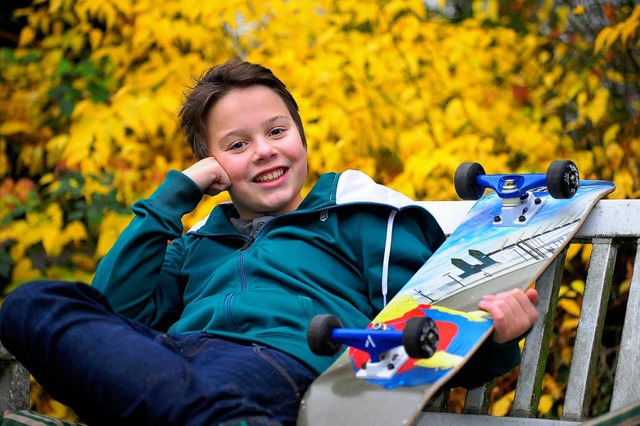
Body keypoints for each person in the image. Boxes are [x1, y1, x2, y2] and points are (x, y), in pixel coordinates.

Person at [0, 60, 539, 426]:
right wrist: (174, 198)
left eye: (277, 132)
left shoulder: (357, 215)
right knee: (30, 304)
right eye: (237, 145)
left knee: (201, 395)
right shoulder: (194, 243)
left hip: (275, 361)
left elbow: (428, 328)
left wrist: (497, 337)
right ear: (213, 165)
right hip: (172, 361)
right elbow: (116, 310)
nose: (263, 151)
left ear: (301, 137)